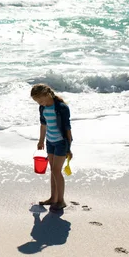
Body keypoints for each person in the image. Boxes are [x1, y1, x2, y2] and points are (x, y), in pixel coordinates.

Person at [30, 83, 73, 211]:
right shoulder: (42, 108)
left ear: (47, 94)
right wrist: (41, 140)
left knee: (56, 171)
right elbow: (43, 125)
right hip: (50, 142)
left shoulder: (61, 107)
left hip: (61, 143)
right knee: (53, 171)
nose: (40, 104)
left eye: (41, 100)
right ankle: (53, 198)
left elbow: (67, 129)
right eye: (38, 102)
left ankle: (61, 201)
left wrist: (69, 148)